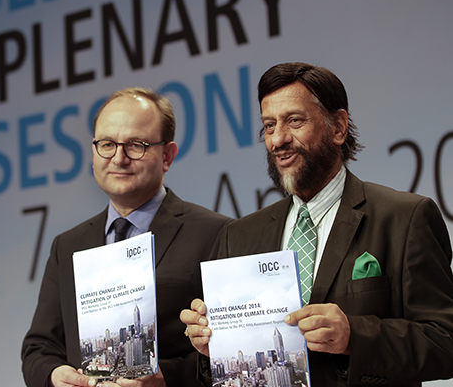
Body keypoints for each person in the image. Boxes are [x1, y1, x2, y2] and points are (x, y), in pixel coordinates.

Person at [180, 62, 453, 386]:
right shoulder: (238, 236)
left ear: (338, 127)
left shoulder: (404, 218)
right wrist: (210, 348)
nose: (278, 139)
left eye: (294, 121)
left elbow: (445, 341)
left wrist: (355, 336)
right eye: (269, 126)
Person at [22, 87, 231, 387]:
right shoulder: (67, 246)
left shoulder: (216, 233)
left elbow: (229, 350)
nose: (119, 158)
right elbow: (38, 349)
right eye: (107, 144)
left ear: (167, 156)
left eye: (136, 145)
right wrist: (56, 377)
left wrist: (166, 379)